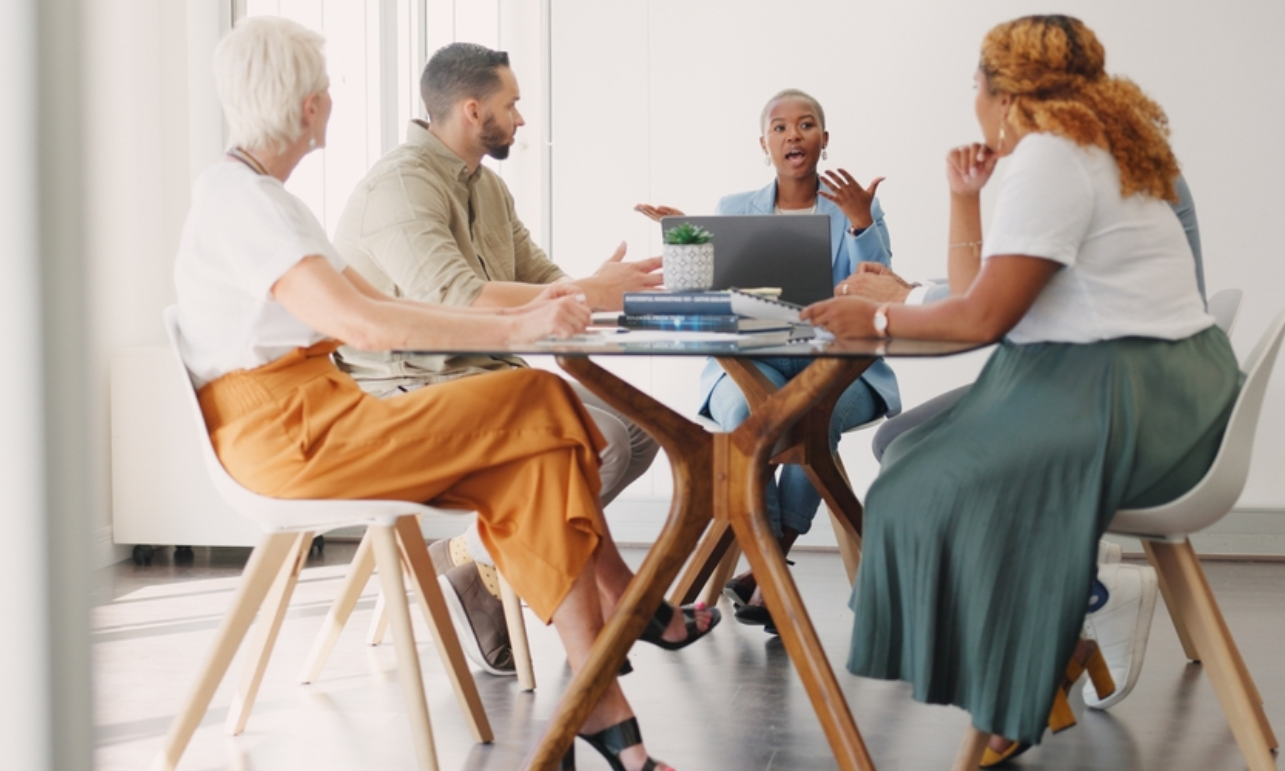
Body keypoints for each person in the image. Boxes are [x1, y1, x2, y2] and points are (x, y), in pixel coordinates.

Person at [179, 18, 710, 770]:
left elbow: (383, 305)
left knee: (532, 463)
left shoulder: (265, 198)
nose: (332, 100)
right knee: (541, 402)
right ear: (307, 107)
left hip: (319, 415)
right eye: (325, 90)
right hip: (290, 435)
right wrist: (521, 321)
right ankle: (611, 649)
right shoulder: (249, 205)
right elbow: (365, 324)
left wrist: (531, 312)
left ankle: (596, 706)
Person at [802, 15, 1239, 766]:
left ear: (1003, 95)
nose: (972, 102)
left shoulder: (1054, 159)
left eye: (974, 87)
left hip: (1120, 391)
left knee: (916, 480)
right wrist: (965, 195)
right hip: (1165, 383)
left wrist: (873, 314)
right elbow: (984, 298)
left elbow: (981, 318)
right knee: (917, 454)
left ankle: (1041, 646)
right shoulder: (1108, 142)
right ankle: (1038, 652)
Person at [332, 42, 670, 676]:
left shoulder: (488, 188)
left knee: (644, 433)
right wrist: (581, 292)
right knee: (604, 444)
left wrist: (600, 285)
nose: (520, 118)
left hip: (482, 374)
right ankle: (496, 567)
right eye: (511, 104)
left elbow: (542, 279)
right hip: (410, 386)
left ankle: (470, 556)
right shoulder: (401, 186)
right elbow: (456, 298)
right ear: (471, 109)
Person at [841, 172, 1208, 713]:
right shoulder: (1078, 162)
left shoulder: (1098, 173)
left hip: (1114, 395)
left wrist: (907, 297)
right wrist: (912, 289)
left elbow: (1019, 302)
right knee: (901, 437)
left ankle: (1091, 590)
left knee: (927, 466)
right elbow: (1010, 280)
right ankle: (1069, 560)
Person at [635, 88, 899, 633]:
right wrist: (692, 238)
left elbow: (880, 287)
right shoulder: (734, 209)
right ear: (765, 144)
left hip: (836, 366)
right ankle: (770, 572)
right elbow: (713, 292)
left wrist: (859, 223)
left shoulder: (857, 210)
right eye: (780, 128)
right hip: (750, 362)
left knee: (813, 415)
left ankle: (766, 567)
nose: (793, 135)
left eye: (806, 126)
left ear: (824, 140)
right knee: (743, 419)